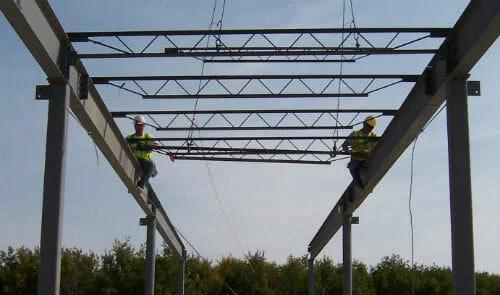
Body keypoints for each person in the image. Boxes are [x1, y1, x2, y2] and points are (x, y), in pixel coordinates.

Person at [342, 115, 377, 188]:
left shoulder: (373, 136)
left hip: (367, 160)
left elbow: (373, 147)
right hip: (356, 160)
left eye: (372, 127)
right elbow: (344, 145)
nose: (370, 128)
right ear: (364, 123)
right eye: (369, 126)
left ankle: (368, 184)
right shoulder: (356, 134)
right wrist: (349, 151)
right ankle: (360, 185)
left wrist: (368, 150)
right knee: (353, 168)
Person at [127, 115, 159, 188]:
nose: (138, 127)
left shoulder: (148, 137)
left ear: (143, 126)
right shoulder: (130, 138)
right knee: (151, 165)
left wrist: (149, 146)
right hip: (134, 160)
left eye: (140, 125)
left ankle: (141, 183)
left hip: (145, 162)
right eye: (137, 125)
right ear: (134, 125)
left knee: (151, 164)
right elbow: (122, 144)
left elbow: (157, 145)